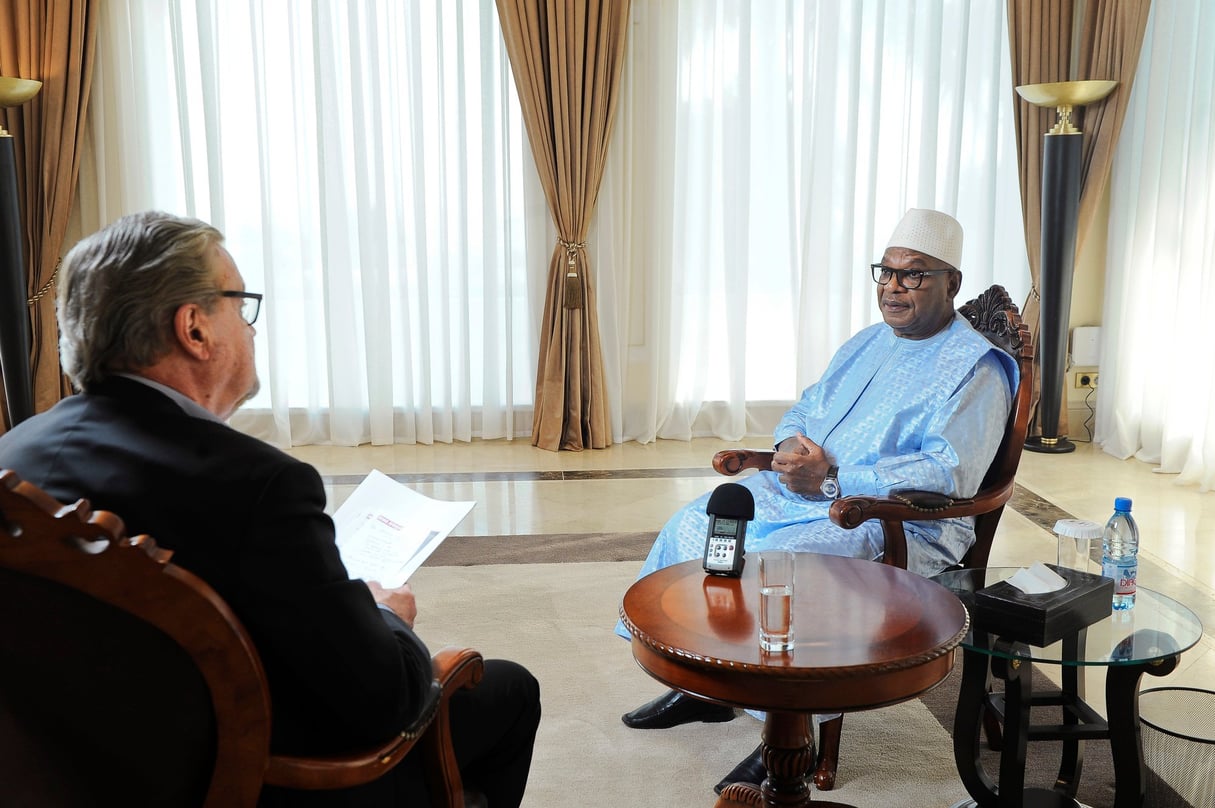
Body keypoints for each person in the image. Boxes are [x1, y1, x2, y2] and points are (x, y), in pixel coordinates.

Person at [0, 211, 541, 807]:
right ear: (194, 329)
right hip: (247, 779)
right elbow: (381, 705)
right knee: (509, 691)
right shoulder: (257, 486)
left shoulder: (14, 455)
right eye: (241, 304)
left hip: (72, 768)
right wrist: (385, 614)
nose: (252, 328)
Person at [616, 208, 1018, 793]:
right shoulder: (868, 342)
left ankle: (788, 729)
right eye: (886, 272)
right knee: (700, 524)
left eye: (914, 276)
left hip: (895, 518)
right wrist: (785, 446)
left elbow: (948, 471)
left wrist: (835, 474)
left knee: (784, 569)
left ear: (951, 284)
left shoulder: (976, 368)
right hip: (801, 490)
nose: (892, 287)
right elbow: (806, 406)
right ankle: (703, 683)